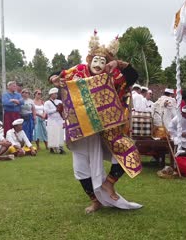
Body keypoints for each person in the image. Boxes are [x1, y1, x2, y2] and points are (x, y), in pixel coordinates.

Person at [49, 31, 142, 213]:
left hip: (107, 129)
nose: (98, 64)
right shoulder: (78, 71)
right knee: (81, 168)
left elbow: (132, 75)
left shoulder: (112, 75)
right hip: (81, 130)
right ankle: (94, 200)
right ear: (89, 60)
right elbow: (57, 74)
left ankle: (108, 183)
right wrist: (52, 78)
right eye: (96, 60)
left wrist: (118, 63)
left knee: (129, 152)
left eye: (103, 61)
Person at [44, 87, 65, 154]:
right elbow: (47, 111)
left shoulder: (59, 101)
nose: (56, 95)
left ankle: (60, 148)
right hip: (52, 120)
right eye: (55, 94)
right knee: (52, 134)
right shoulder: (47, 102)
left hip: (59, 119)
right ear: (51, 94)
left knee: (60, 133)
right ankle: (52, 148)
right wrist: (55, 110)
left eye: (56, 94)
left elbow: (63, 110)